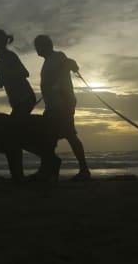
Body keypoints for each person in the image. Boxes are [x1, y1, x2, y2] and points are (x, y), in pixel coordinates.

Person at [34, 34, 91, 181]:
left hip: (61, 105)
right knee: (52, 138)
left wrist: (67, 68)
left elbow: (71, 64)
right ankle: (48, 170)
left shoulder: (58, 56)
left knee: (66, 136)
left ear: (45, 46)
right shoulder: (47, 62)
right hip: (54, 105)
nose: (36, 49)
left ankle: (82, 170)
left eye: (37, 46)